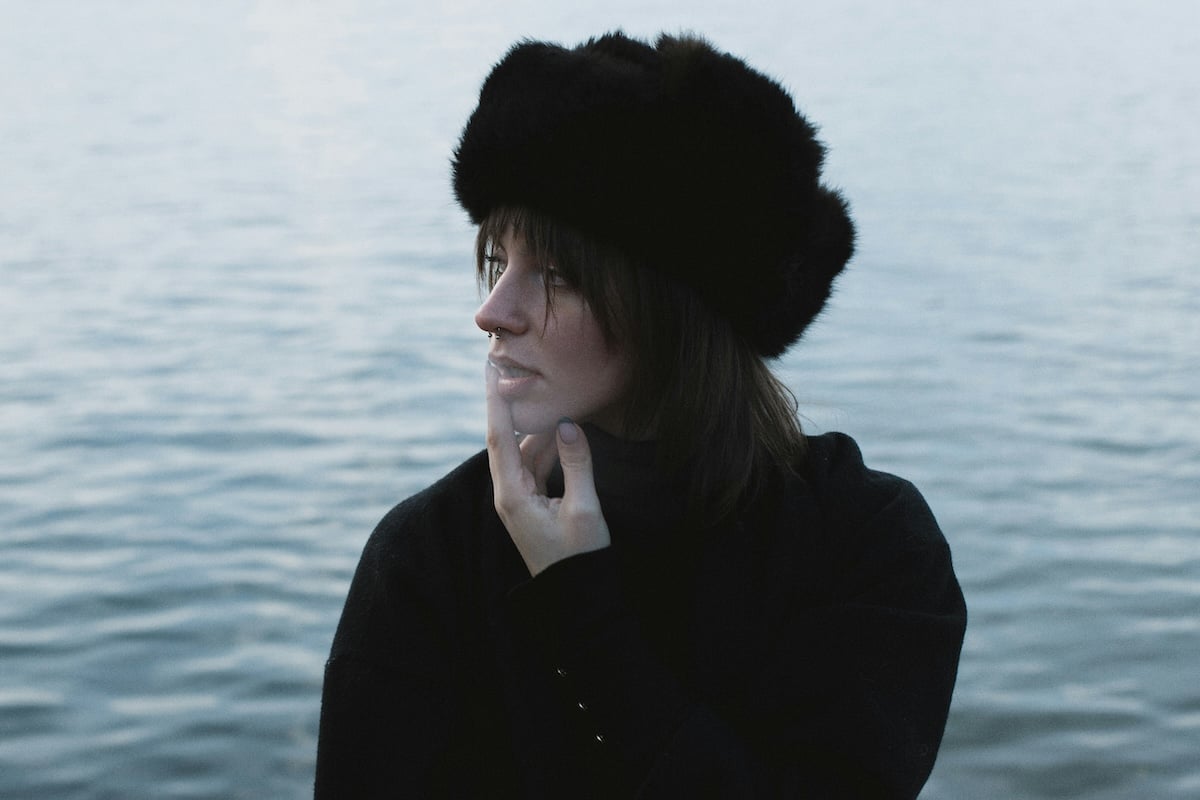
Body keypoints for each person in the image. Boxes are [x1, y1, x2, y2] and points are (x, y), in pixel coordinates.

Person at [315, 31, 966, 799]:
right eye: (498, 262)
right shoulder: (431, 558)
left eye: (555, 276)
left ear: (672, 308)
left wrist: (580, 612)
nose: (492, 312)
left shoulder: (865, 546)